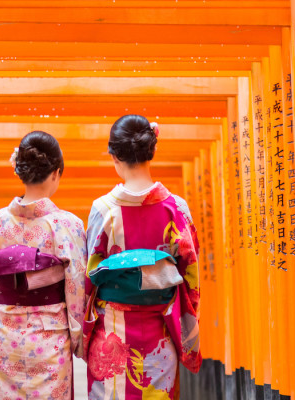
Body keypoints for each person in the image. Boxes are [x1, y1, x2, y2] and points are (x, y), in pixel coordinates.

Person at [83, 115, 201, 400]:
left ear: (114, 156)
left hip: (111, 336)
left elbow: (88, 279)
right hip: (159, 335)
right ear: (152, 150)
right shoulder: (176, 209)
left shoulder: (103, 210)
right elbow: (191, 279)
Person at [0, 131, 87, 400]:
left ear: (19, 170)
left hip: (2, 333)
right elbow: (76, 287)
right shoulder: (67, 224)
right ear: (56, 173)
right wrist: (78, 338)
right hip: (49, 337)